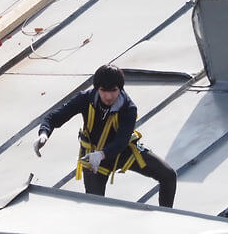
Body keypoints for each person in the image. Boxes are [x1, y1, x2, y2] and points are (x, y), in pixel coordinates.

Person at [34, 65, 177, 207]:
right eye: (103, 91)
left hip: (123, 152)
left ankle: (166, 217)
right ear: (97, 89)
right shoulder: (85, 99)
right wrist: (44, 134)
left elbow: (121, 141)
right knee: (95, 205)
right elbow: (53, 117)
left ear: (120, 89)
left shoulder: (128, 108)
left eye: (114, 91)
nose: (108, 97)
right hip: (92, 158)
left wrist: (102, 154)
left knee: (169, 176)